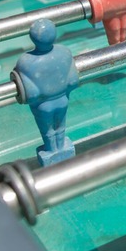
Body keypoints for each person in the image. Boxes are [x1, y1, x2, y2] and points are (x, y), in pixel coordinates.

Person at [14, 19, 80, 165]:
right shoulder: (65, 53)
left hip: (43, 106)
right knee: (60, 127)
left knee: (47, 131)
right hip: (62, 100)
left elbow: (31, 93)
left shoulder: (25, 62)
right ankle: (62, 149)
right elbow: (72, 81)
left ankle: (51, 151)